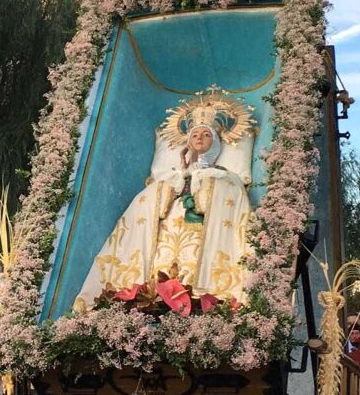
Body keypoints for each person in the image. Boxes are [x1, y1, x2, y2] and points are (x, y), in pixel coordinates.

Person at [75, 91, 255, 311]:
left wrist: (202, 184)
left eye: (206, 135)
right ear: (187, 142)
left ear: (216, 143)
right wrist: (176, 180)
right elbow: (146, 204)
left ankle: (201, 306)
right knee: (159, 275)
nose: (199, 138)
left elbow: (228, 206)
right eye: (195, 134)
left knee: (194, 277)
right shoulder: (171, 177)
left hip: (204, 239)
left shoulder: (225, 178)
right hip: (166, 236)